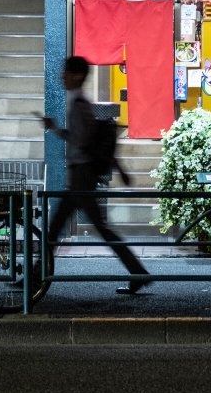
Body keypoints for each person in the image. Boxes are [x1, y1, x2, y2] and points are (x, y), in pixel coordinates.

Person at [38, 55, 152, 295]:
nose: (62, 76)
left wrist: (56, 129)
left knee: (61, 229)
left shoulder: (80, 105)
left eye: (66, 72)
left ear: (77, 75)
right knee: (64, 229)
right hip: (81, 176)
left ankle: (35, 278)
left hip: (82, 176)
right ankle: (35, 276)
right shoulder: (79, 103)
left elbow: (81, 140)